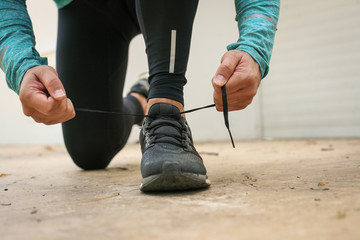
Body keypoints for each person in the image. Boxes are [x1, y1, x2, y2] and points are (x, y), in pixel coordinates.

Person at [0, 0, 280, 192]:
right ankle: (140, 98)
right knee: (90, 151)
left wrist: (255, 45)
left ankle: (165, 109)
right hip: (84, 7)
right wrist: (21, 65)